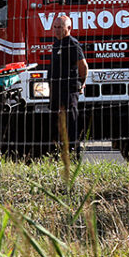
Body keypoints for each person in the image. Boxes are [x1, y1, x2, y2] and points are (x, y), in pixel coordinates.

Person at [48, 15, 89, 156]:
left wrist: (80, 85)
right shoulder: (56, 44)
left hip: (69, 89)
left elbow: (83, 66)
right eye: (55, 27)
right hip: (56, 90)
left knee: (71, 119)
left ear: (69, 28)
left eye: (60, 27)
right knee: (55, 120)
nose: (57, 30)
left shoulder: (73, 44)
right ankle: (57, 150)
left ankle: (74, 150)